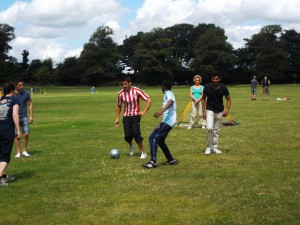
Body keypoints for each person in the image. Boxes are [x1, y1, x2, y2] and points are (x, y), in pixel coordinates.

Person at [114, 75, 152, 159]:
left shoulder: (137, 91)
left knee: (136, 133)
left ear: (130, 83)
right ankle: (131, 146)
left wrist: (144, 111)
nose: (124, 86)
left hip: (135, 115)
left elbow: (149, 100)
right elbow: (119, 106)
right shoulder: (120, 93)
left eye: (126, 84)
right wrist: (117, 118)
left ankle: (142, 152)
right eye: (123, 84)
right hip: (126, 116)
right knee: (127, 136)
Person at [143, 80, 177, 168]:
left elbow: (171, 101)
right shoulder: (169, 92)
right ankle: (171, 160)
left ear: (164, 87)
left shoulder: (168, 92)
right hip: (169, 121)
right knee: (160, 141)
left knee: (152, 137)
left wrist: (160, 112)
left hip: (168, 121)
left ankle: (153, 162)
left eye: (161, 87)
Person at [201, 72, 231, 155]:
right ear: (211, 79)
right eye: (213, 79)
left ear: (219, 79)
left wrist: (227, 110)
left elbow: (228, 99)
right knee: (210, 128)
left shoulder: (224, 88)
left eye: (217, 79)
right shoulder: (207, 87)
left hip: (219, 110)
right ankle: (208, 147)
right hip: (209, 110)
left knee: (216, 130)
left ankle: (215, 148)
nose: (215, 80)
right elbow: (203, 98)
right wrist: (203, 111)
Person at [0, 81, 21, 186]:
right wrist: (18, 130)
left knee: (0, 153)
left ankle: (3, 176)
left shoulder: (0, 100)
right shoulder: (14, 100)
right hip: (7, 129)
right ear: (13, 90)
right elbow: (15, 115)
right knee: (5, 156)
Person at [14, 80, 33, 158]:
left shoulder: (26, 93)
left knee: (26, 134)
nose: (22, 86)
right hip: (15, 117)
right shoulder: (12, 94)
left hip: (24, 116)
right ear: (16, 86)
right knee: (16, 135)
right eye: (19, 85)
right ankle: (18, 152)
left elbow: (30, 104)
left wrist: (31, 116)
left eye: (22, 85)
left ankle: (24, 151)